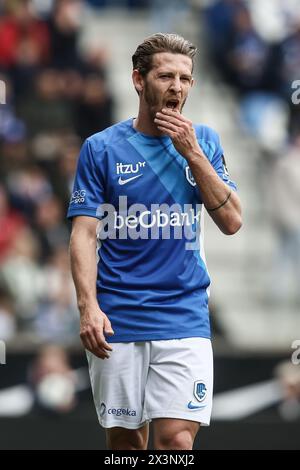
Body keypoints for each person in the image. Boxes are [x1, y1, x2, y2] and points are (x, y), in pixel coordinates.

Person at [67, 33, 242, 450]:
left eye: (185, 78)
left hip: (184, 314)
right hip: (119, 317)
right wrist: (87, 307)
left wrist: (193, 154)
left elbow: (233, 222)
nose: (177, 87)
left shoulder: (205, 142)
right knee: (127, 444)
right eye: (166, 76)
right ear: (138, 80)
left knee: (177, 442)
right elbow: (83, 234)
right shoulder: (101, 148)